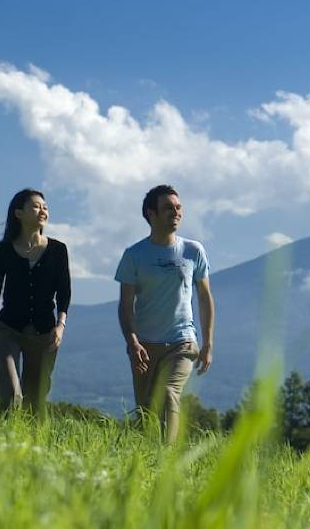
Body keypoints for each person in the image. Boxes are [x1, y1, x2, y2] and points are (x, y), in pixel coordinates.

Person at [115, 184, 215, 444]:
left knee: (170, 391)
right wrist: (132, 342)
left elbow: (204, 298)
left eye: (179, 207)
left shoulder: (194, 251)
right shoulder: (134, 255)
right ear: (152, 214)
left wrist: (208, 343)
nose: (176, 212)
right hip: (144, 345)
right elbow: (125, 304)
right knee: (146, 412)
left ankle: (167, 457)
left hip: (182, 340)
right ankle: (150, 460)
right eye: (168, 208)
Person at [0, 188, 71, 416]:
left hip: (44, 333)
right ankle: (1, 446)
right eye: (36, 206)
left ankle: (30, 448)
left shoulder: (58, 250)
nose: (42, 210)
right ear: (19, 213)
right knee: (11, 393)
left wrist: (60, 325)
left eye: (45, 207)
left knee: (34, 402)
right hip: (8, 329)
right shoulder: (4, 251)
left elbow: (64, 292)